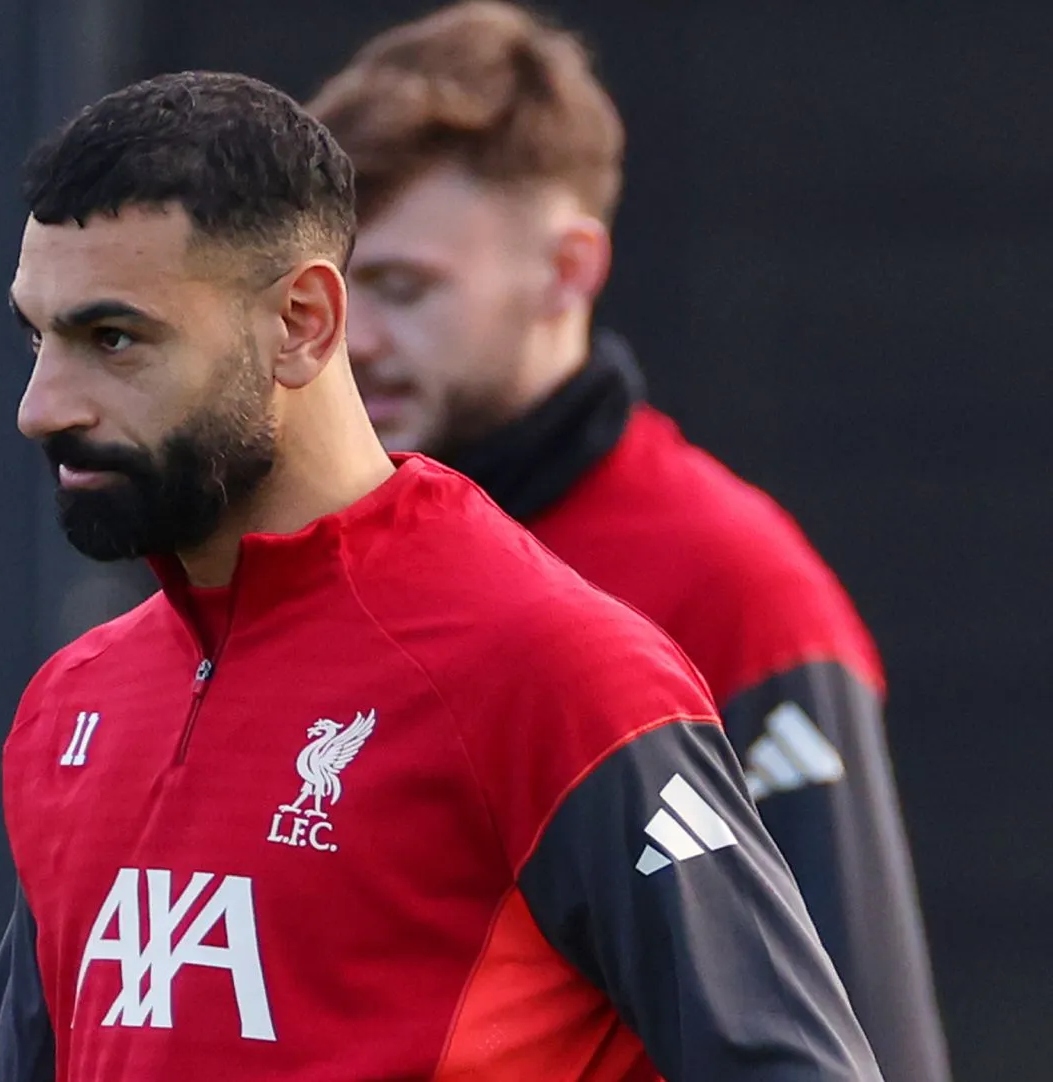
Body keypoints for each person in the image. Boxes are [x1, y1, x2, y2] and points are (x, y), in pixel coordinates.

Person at [0, 70, 879, 1081]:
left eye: (114, 338)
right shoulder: (75, 699)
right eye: (37, 336)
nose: (42, 406)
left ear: (303, 322)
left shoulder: (557, 669)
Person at [309, 4, 949, 1077]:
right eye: (328, 288)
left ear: (568, 270)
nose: (352, 339)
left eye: (404, 288)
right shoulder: (299, 554)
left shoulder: (732, 583)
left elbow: (859, 1037)